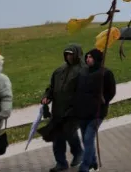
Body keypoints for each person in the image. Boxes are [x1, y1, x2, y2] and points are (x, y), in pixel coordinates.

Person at [42, 44, 84, 172]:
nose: (69, 56)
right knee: (57, 138)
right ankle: (61, 162)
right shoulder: (59, 70)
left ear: (77, 54)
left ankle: (78, 153)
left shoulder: (83, 71)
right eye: (67, 54)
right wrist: (47, 96)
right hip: (57, 110)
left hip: (72, 111)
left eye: (71, 54)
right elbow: (51, 87)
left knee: (70, 134)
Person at [71, 49, 116, 172]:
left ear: (97, 59)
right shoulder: (83, 72)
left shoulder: (105, 73)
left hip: (97, 112)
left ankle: (85, 166)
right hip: (82, 112)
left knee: (88, 138)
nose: (88, 59)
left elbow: (111, 91)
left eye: (90, 57)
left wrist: (104, 99)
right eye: (87, 57)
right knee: (86, 139)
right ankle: (93, 162)